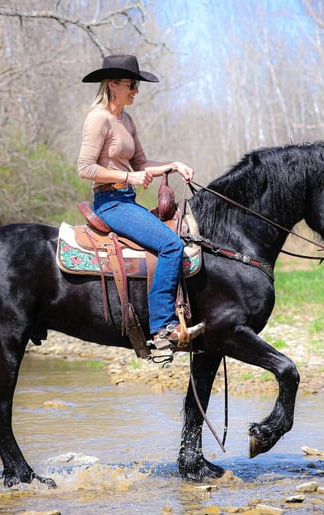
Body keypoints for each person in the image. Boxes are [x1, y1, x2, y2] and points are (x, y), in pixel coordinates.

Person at [77, 54, 204, 350]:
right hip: (110, 203)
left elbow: (142, 164)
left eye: (137, 85)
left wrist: (173, 165)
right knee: (171, 245)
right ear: (113, 85)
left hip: (127, 200)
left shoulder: (126, 120)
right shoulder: (98, 118)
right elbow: (84, 168)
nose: (136, 90)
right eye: (132, 85)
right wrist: (128, 177)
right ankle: (162, 327)